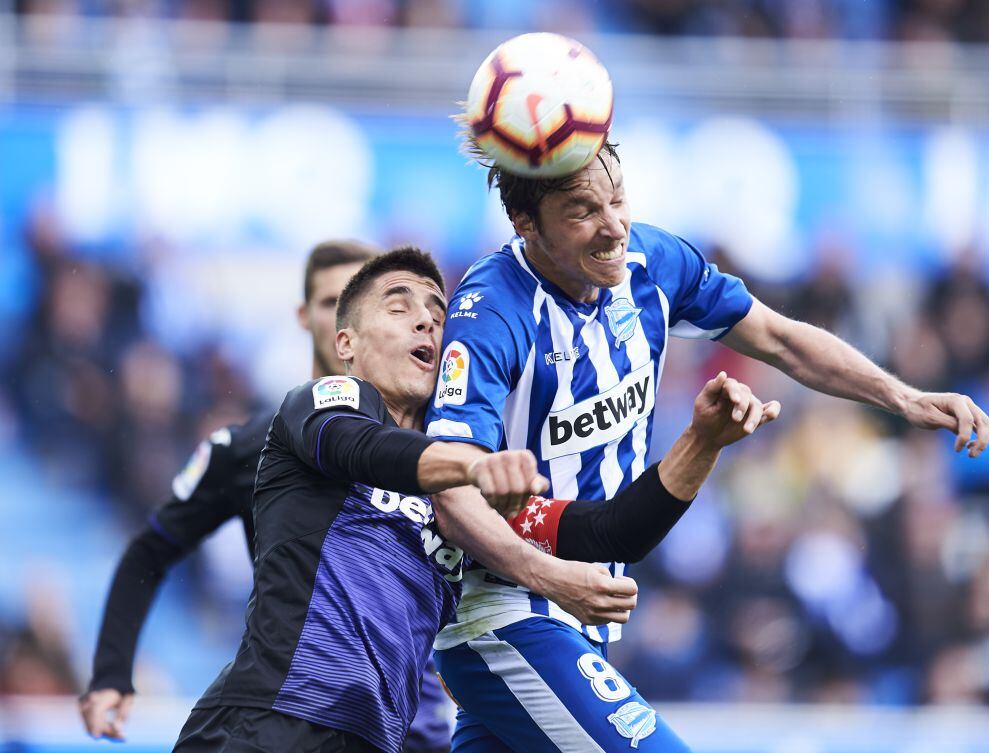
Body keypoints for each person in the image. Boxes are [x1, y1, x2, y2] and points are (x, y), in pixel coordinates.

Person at [423, 140, 989, 751]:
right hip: (507, 613)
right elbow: (450, 495)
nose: (614, 226)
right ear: (525, 223)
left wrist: (902, 398)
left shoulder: (652, 261)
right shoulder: (490, 312)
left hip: (576, 613)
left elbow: (779, 339)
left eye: (618, 198)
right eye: (583, 211)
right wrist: (554, 578)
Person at [172, 246, 780, 753]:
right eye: (399, 306)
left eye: (438, 312)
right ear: (347, 341)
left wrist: (700, 442)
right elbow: (370, 449)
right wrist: (474, 466)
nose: (426, 322)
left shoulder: (469, 499)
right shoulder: (322, 406)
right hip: (266, 722)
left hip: (369, 738)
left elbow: (610, 531)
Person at [79, 241, 453, 753]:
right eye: (330, 301)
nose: (417, 322)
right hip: (289, 706)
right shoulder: (254, 444)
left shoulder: (446, 454)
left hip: (408, 722)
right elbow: (152, 548)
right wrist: (111, 673)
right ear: (318, 320)